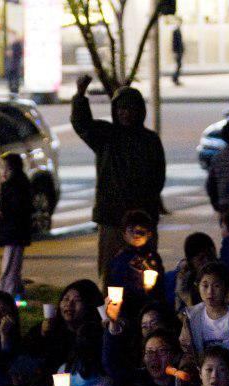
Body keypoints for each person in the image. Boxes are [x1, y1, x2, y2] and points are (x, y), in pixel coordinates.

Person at [71, 74, 167, 283]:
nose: (125, 114)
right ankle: (111, 313)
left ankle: (145, 312)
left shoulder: (149, 140)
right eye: (121, 109)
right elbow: (82, 124)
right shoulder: (106, 135)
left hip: (142, 218)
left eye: (130, 109)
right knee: (110, 272)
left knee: (145, 271)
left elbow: (158, 177)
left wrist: (145, 206)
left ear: (139, 111)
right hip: (112, 218)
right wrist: (80, 95)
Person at [0, 153, 33, 298]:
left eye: (4, 167)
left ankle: (4, 296)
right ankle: (16, 295)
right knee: (12, 267)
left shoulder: (14, 185)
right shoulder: (18, 183)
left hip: (14, 234)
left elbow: (12, 210)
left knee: (9, 267)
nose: (1, 171)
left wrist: (2, 208)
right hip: (15, 233)